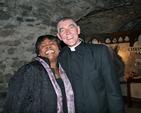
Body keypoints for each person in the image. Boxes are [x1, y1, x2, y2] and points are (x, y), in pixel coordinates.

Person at [56, 17, 125, 113]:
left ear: (78, 29)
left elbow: (113, 89)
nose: (68, 33)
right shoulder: (59, 57)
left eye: (71, 27)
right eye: (62, 30)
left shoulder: (100, 51)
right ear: (59, 36)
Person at [3, 35, 75, 113]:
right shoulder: (30, 70)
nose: (48, 47)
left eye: (52, 43)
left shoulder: (65, 70)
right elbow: (15, 102)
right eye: (43, 45)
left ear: (59, 49)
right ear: (39, 53)